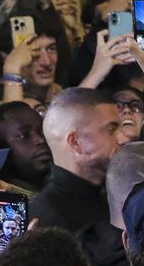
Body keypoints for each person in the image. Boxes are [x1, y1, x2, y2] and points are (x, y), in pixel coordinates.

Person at [31, 88, 123, 234]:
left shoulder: (117, 192)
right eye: (111, 130)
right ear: (75, 142)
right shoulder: (47, 224)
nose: (123, 138)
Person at [0, 101, 52, 194]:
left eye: (42, 130)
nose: (40, 140)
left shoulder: (64, 185)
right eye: (24, 135)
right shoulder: (0, 203)